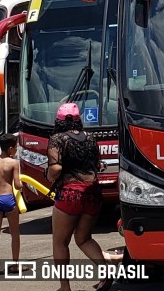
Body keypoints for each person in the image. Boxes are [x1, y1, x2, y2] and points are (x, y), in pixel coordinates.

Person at [46, 103, 118, 291]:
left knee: (60, 243)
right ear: (78, 120)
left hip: (70, 195)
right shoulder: (91, 138)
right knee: (83, 238)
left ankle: (65, 287)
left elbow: (56, 168)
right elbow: (97, 164)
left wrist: (48, 174)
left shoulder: (57, 139)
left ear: (59, 121)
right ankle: (106, 270)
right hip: (92, 194)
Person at [0, 133, 26, 274]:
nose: (16, 151)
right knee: (15, 234)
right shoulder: (13, 163)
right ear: (9, 148)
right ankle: (15, 265)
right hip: (8, 198)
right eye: (15, 148)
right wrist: (23, 183)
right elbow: (17, 185)